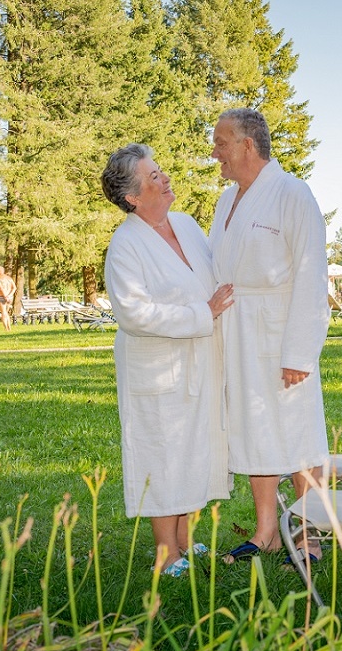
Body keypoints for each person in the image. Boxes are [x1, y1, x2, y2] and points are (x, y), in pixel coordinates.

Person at [101, 143, 235, 578]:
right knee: (162, 450)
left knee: (193, 446)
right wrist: (204, 313)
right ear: (133, 197)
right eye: (153, 176)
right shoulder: (125, 246)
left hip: (200, 358)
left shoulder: (188, 225)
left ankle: (185, 540)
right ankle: (165, 553)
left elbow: (216, 275)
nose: (164, 179)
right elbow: (134, 313)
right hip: (156, 364)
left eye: (160, 171)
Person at [209, 108, 330, 565]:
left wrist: (299, 350)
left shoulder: (292, 194)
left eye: (221, 142)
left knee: (297, 428)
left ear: (247, 145)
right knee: (251, 425)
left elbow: (311, 273)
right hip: (237, 331)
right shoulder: (227, 201)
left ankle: (306, 531)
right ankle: (266, 531)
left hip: (281, 332)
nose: (215, 152)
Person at [0, 266, 17, 331]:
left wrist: (5, 296)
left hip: (3, 296)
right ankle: (9, 328)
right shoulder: (9, 278)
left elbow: (1, 288)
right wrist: (10, 295)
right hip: (10, 297)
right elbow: (14, 288)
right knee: (6, 312)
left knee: (3, 313)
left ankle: (6, 328)